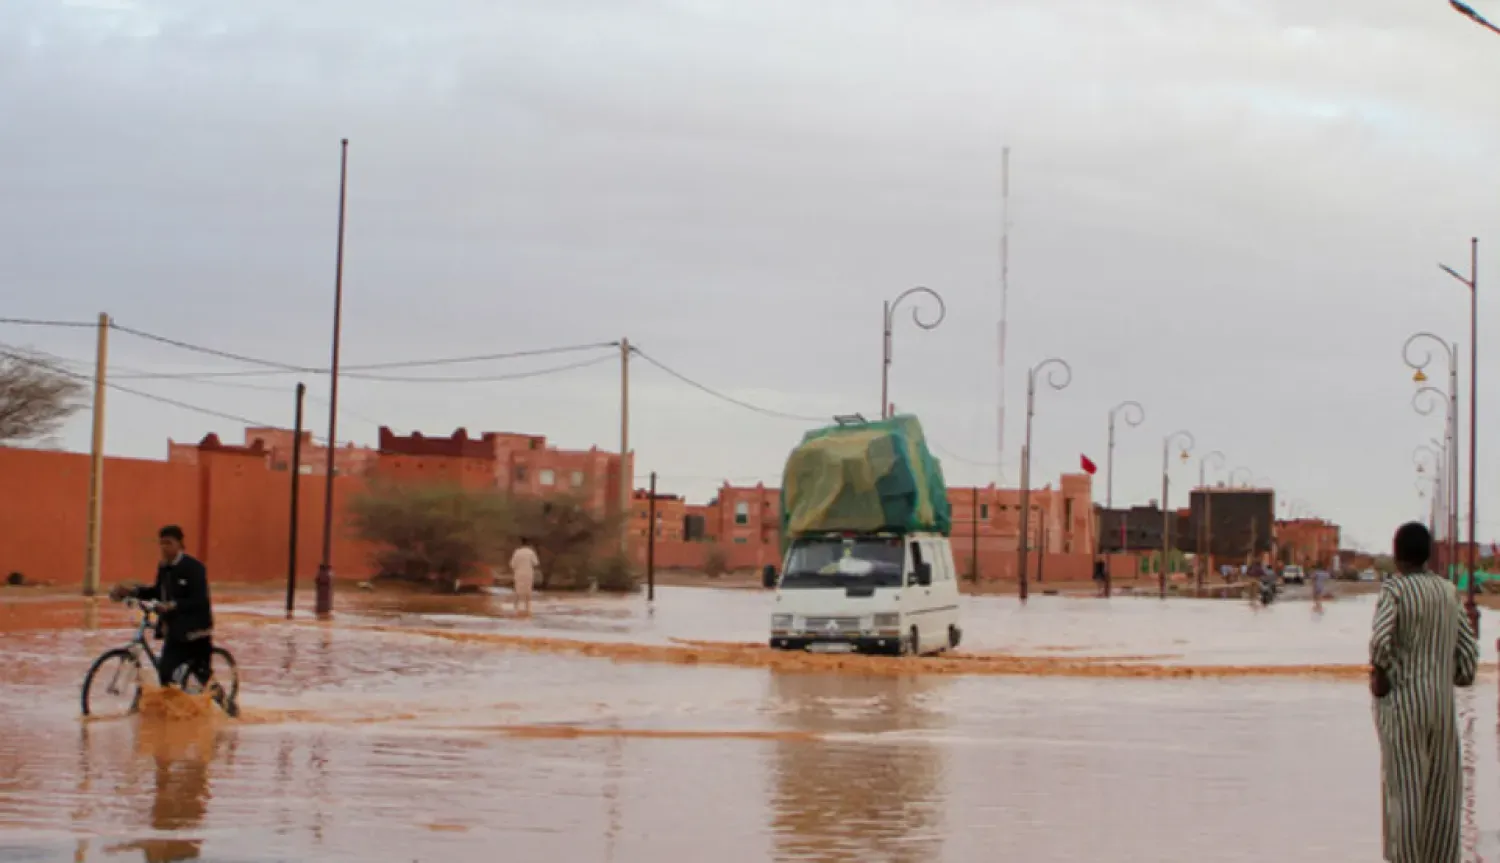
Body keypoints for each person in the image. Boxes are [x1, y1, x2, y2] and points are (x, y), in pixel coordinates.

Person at [1371, 521, 1478, 863]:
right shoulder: (1448, 592)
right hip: (1442, 709)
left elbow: (1380, 641)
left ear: (1397, 555)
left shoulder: (1395, 591)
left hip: (1404, 708)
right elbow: (1468, 655)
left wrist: (1381, 674)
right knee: (1441, 797)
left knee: (1404, 793)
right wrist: (1457, 676)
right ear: (1428, 555)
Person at [109, 525, 215, 689]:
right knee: (165, 673)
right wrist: (133, 592)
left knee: (204, 680)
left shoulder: (195, 568)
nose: (164, 548)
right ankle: (176, 710)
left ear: (180, 544)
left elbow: (199, 599)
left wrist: (173, 605)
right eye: (162, 543)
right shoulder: (164, 567)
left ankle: (228, 708)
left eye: (168, 543)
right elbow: (157, 591)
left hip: (196, 631)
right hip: (174, 629)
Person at [508, 537, 541, 617]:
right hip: (528, 573)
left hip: (518, 573)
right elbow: (536, 563)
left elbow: (512, 565)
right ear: (529, 544)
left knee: (517, 591)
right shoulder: (531, 552)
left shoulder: (517, 552)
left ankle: (516, 608)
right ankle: (528, 609)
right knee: (528, 592)